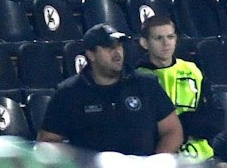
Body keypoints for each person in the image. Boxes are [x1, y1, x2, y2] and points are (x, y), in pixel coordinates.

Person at [38, 25, 182, 154]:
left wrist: (156, 163)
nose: (117, 52)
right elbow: (48, 142)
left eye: (119, 46)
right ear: (91, 54)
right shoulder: (68, 93)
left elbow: (172, 131)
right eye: (109, 47)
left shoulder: (146, 84)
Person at [137, 16, 212, 160]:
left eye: (170, 37)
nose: (166, 43)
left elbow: (211, 120)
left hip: (202, 157)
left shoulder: (193, 70)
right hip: (160, 157)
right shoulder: (137, 77)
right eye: (158, 38)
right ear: (145, 43)